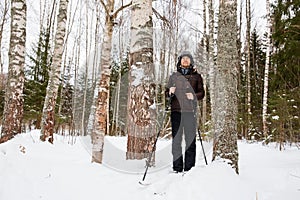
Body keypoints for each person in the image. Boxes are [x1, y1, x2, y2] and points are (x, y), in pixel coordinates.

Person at [166, 51, 205, 172]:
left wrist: (193, 96)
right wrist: (170, 92)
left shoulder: (197, 76)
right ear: (180, 61)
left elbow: (202, 93)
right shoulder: (173, 76)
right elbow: (166, 94)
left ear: (191, 61)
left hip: (190, 112)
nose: (185, 60)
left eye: (188, 58)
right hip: (176, 111)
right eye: (183, 58)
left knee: (190, 140)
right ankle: (177, 167)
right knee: (176, 140)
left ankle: (189, 168)